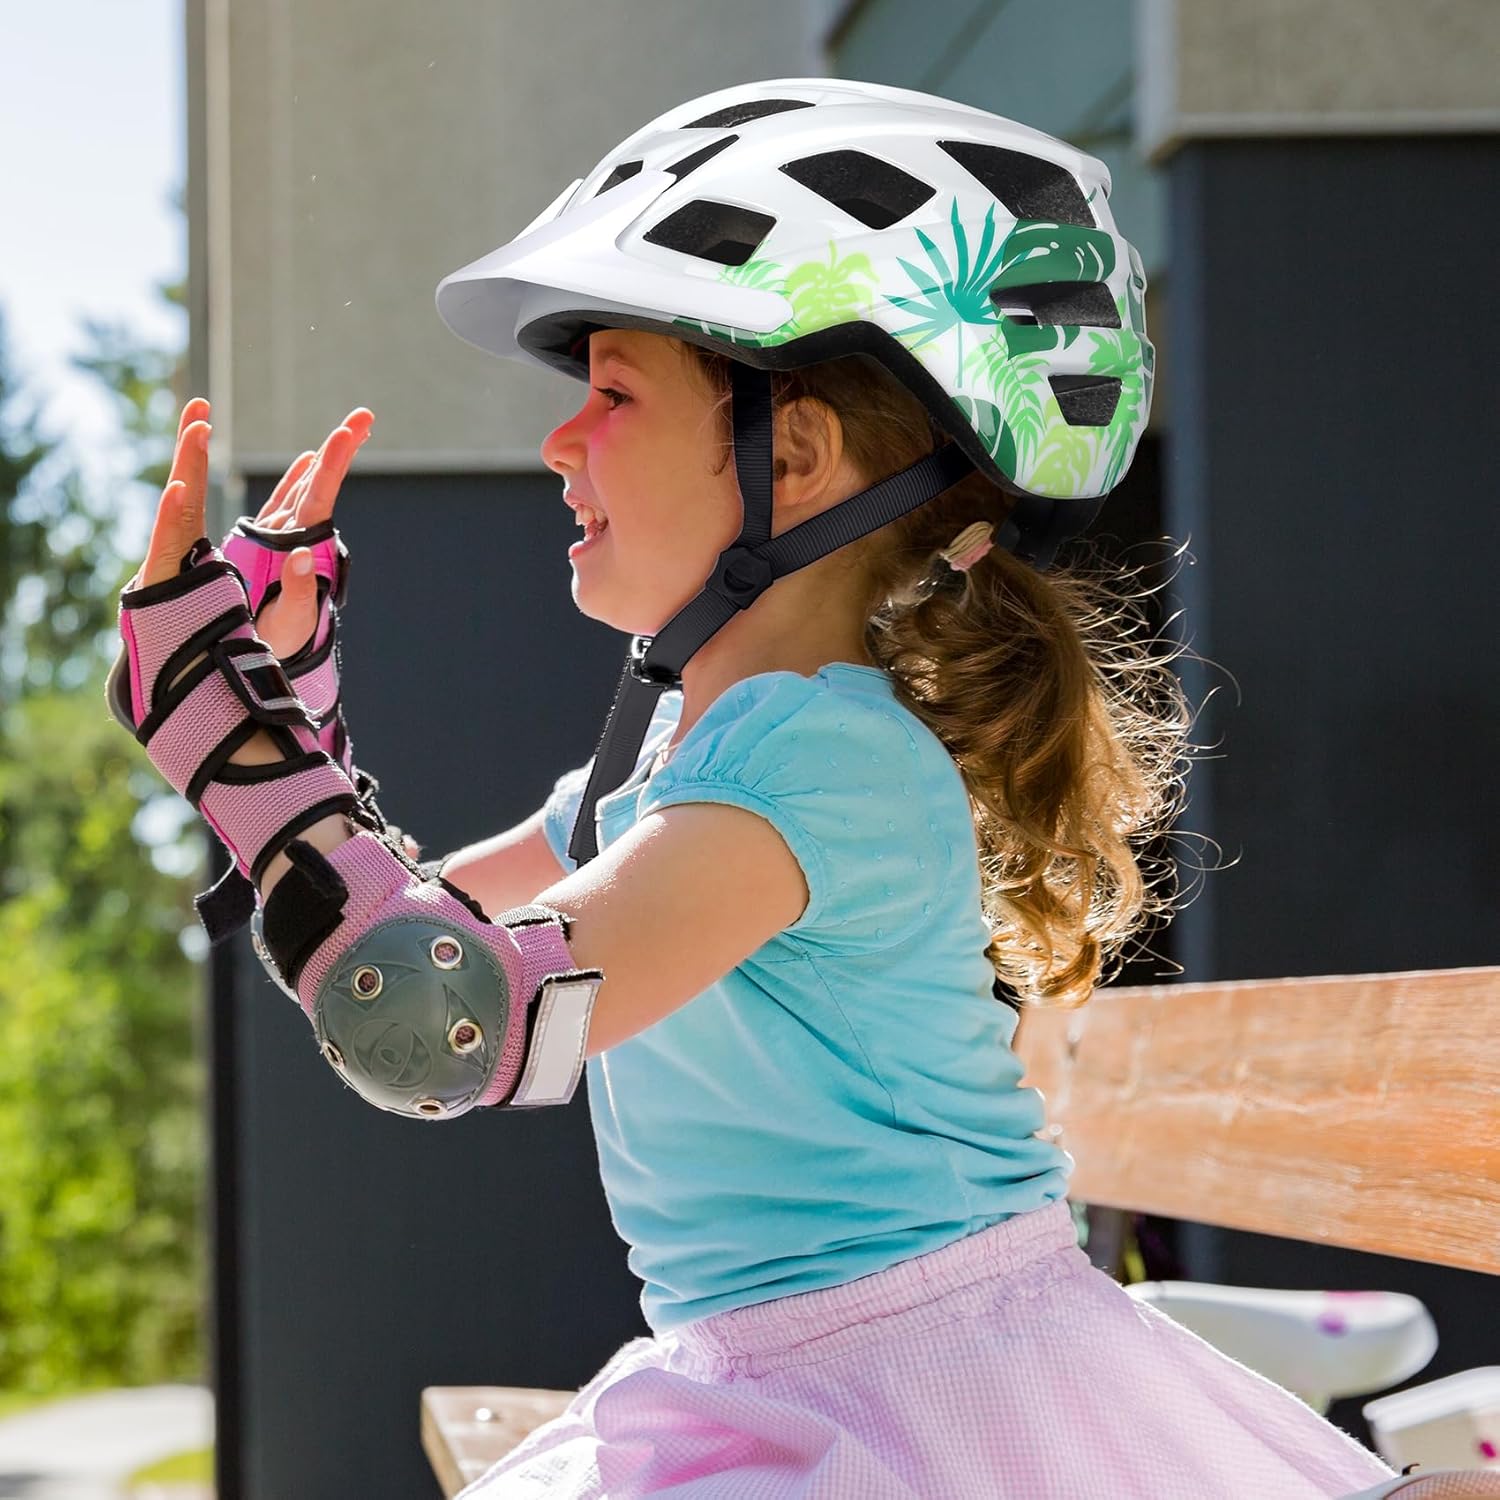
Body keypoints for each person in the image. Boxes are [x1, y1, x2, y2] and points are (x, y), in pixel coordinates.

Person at [114, 79, 1397, 1498]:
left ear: (792, 451)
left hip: (922, 1397)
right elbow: (408, 940)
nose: (557, 443)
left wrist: (242, 747)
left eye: (612, 392)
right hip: (784, 1379)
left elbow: (448, 1017)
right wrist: (284, 714)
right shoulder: (678, 759)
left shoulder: (816, 764)